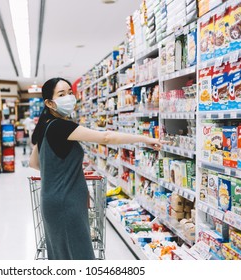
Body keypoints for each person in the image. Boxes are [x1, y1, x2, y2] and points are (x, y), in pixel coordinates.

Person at [29, 77, 165, 260]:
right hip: (66, 203)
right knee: (80, 256)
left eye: (70, 92)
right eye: (61, 94)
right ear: (50, 103)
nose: (68, 97)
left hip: (52, 201)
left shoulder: (44, 126)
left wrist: (68, 171)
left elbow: (35, 163)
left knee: (62, 256)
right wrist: (145, 139)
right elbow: (106, 137)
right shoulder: (61, 126)